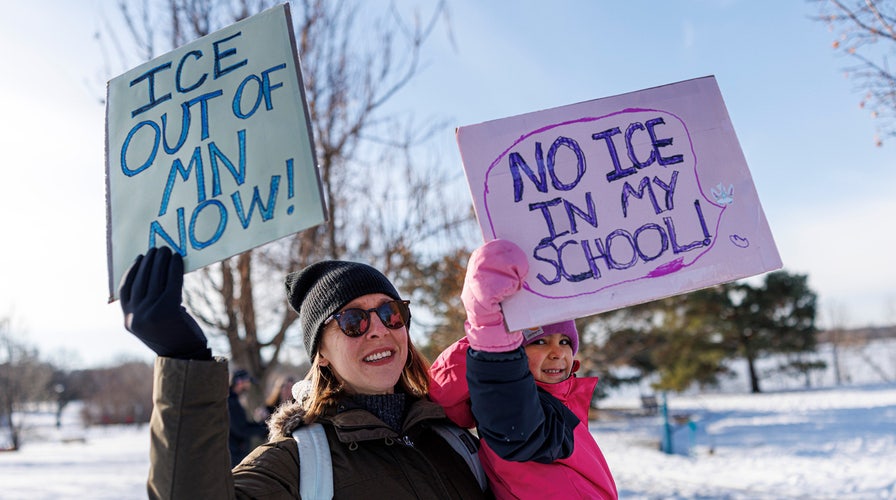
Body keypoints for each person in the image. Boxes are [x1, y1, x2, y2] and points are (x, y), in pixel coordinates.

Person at [119, 246, 490, 498]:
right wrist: (185, 361)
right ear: (321, 354)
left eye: (390, 312)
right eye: (352, 320)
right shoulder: (298, 461)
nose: (379, 329)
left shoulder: (455, 438)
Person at [429, 239, 618, 499]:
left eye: (564, 341)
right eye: (540, 341)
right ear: (513, 352)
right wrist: (489, 325)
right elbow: (518, 429)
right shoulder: (519, 406)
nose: (557, 352)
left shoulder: (558, 399)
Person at [227, 369, 268, 467]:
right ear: (239, 382)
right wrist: (264, 429)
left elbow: (243, 425)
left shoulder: (234, 400)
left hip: (235, 453)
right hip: (233, 455)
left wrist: (262, 425)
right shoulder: (230, 402)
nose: (249, 385)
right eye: (248, 382)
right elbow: (241, 429)